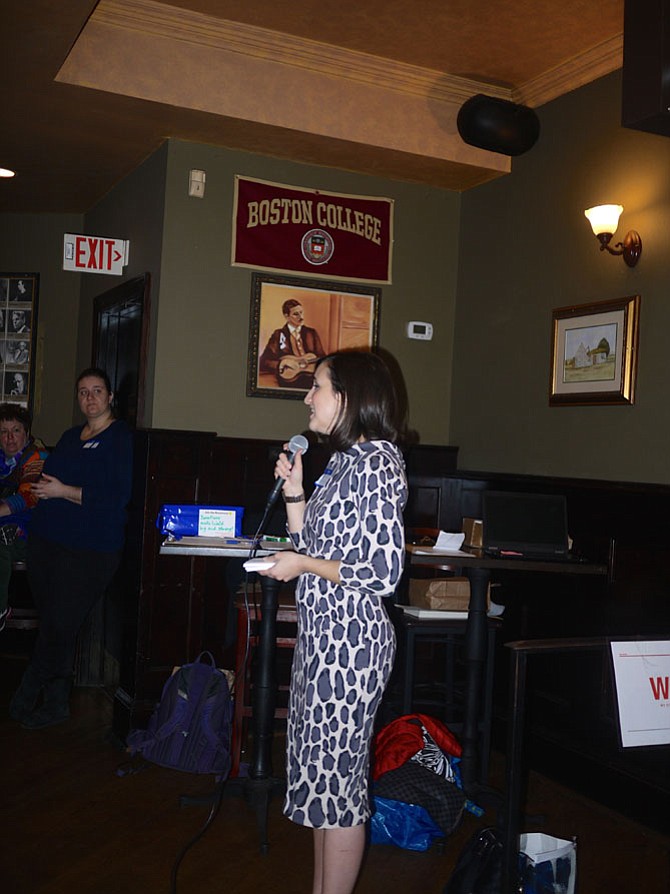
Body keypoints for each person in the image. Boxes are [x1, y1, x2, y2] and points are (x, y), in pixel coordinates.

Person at [258, 350, 407, 894]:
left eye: (315, 386)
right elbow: (312, 549)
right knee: (323, 784)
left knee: (340, 790)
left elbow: (382, 570)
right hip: (322, 639)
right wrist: (296, 492)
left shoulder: (377, 463)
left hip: (352, 645)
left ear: (347, 397)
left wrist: (302, 565)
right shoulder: (344, 462)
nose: (306, 397)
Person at [9, 367, 133, 729]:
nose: (90, 398)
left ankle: (25, 695)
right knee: (54, 624)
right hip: (48, 543)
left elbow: (116, 498)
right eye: (83, 392)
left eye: (97, 391)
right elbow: (46, 479)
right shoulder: (68, 436)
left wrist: (64, 491)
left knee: (59, 625)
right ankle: (58, 703)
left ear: (110, 397)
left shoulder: (121, 438)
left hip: (91, 549)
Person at [0, 404, 45, 630]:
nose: (9, 437)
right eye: (3, 431)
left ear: (26, 433)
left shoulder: (37, 457)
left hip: (32, 534)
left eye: (15, 430)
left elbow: (29, 497)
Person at [259, 299, 325, 389]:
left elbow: (323, 357)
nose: (301, 317)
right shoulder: (278, 335)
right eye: (296, 314)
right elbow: (264, 361)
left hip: (311, 378)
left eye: (301, 312)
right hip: (289, 379)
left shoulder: (311, 333)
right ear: (287, 316)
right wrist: (282, 364)